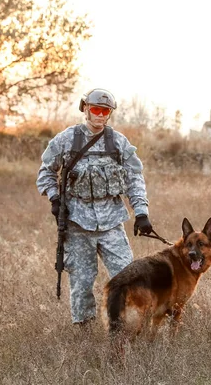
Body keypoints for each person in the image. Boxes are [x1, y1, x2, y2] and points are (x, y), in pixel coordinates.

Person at [36, 88, 153, 325]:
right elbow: (46, 173)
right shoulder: (65, 140)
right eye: (96, 110)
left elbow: (134, 178)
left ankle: (124, 325)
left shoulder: (118, 142)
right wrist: (55, 201)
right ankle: (84, 332)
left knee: (129, 277)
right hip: (78, 223)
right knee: (81, 282)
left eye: (105, 111)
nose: (100, 115)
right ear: (85, 110)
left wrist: (141, 212)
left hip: (111, 223)